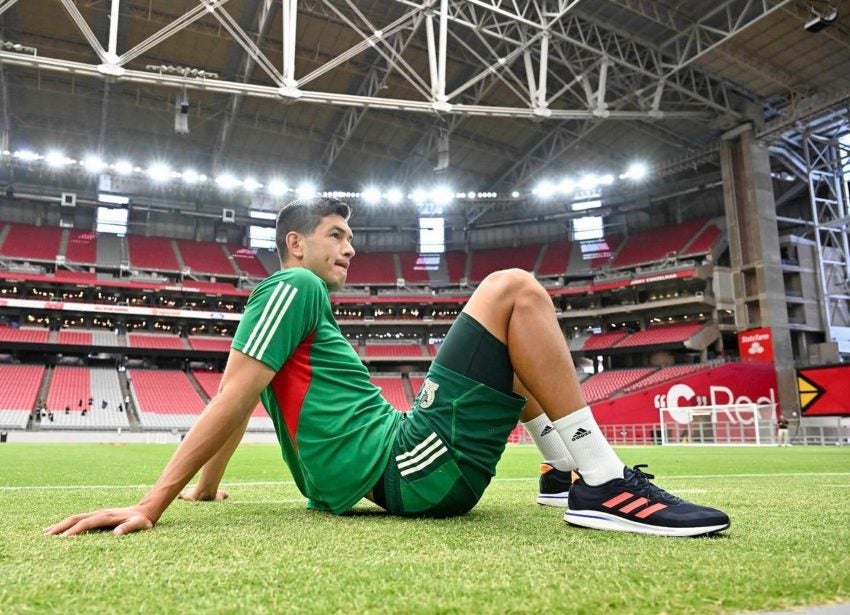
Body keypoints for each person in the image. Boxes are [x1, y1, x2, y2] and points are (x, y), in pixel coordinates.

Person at [45, 197, 729, 538]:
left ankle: (562, 472)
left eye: (351, 237)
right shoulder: (296, 288)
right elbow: (233, 396)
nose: (350, 248)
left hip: (403, 468)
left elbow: (245, 393)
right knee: (514, 288)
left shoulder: (282, 301)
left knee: (510, 346)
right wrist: (154, 501)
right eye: (336, 235)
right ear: (295, 243)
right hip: (407, 465)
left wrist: (204, 489)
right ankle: (603, 482)